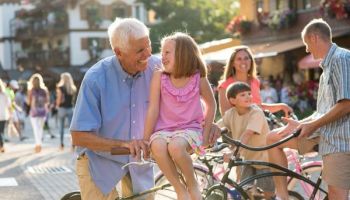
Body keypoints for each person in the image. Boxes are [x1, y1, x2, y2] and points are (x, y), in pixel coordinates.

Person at [70, 18, 221, 200]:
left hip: (138, 162)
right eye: (140, 50)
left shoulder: (159, 68)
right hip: (99, 162)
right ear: (119, 52)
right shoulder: (96, 78)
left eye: (148, 46)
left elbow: (187, 96)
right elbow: (79, 136)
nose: (148, 54)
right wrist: (124, 144)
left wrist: (209, 125)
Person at [267, 18, 350, 200]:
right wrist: (300, 123)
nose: (306, 49)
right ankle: (282, 196)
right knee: (272, 138)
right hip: (325, 132)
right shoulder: (326, 68)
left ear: (313, 37)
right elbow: (323, 111)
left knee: (337, 195)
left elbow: (346, 104)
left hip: (341, 139)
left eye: (306, 44)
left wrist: (311, 126)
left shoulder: (341, 59)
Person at [143, 32, 216, 200]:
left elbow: (211, 104)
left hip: (190, 129)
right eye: (162, 52)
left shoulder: (198, 77)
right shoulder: (159, 76)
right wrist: (146, 139)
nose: (162, 56)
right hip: (164, 129)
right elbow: (153, 108)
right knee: (158, 146)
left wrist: (205, 134)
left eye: (167, 52)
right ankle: (179, 189)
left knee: (176, 147)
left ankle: (192, 184)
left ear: (183, 54)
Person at [222, 82, 274, 199]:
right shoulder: (230, 114)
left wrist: (233, 152)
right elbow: (219, 127)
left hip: (263, 158)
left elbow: (247, 134)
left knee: (267, 191)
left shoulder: (256, 112)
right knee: (244, 189)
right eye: (243, 95)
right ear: (232, 100)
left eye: (249, 93)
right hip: (247, 158)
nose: (248, 96)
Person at [217, 45, 292, 117]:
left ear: (251, 61)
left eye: (246, 58)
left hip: (259, 123)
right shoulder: (225, 85)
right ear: (233, 63)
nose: (243, 62)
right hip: (240, 127)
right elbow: (225, 114)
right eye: (239, 59)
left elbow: (258, 107)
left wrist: (282, 106)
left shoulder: (255, 81)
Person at [27, 73, 50, 153]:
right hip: (43, 111)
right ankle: (39, 143)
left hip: (34, 112)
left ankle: (38, 144)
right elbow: (47, 101)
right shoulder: (44, 90)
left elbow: (29, 102)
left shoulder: (31, 90)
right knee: (40, 129)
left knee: (36, 129)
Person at [56, 72, 77, 150]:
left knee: (61, 127)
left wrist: (57, 105)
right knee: (71, 129)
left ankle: (61, 144)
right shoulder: (73, 88)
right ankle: (73, 144)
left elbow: (59, 98)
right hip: (70, 109)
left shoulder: (60, 87)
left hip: (62, 109)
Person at [0, 79, 11, 153]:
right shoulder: (5, 94)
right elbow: (9, 105)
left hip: (3, 115)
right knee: (1, 131)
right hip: (4, 115)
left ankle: (1, 145)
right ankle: (2, 146)